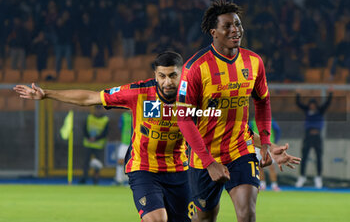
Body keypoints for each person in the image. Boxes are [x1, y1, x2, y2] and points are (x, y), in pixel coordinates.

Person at [14, 51, 300, 222]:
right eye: (162, 76)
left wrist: (263, 148)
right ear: (155, 75)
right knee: (156, 219)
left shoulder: (195, 100)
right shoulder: (138, 93)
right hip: (144, 169)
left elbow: (229, 127)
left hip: (181, 171)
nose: (167, 81)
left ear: (182, 74)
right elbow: (91, 97)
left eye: (173, 75)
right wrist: (47, 94)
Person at [177, 0, 274, 222]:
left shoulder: (254, 62)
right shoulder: (195, 68)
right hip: (204, 158)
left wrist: (266, 141)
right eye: (227, 26)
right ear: (214, 32)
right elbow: (183, 119)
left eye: (238, 24)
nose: (235, 30)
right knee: (205, 218)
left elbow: (263, 101)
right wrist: (209, 162)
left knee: (247, 214)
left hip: (241, 149)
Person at [295, 88, 333, 189]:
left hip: (317, 137)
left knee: (319, 157)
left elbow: (327, 104)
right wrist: (298, 94)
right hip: (308, 136)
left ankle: (318, 178)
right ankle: (302, 177)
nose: (312, 106)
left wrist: (330, 93)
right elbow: (299, 104)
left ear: (316, 105)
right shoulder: (307, 111)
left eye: (313, 104)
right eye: (310, 104)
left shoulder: (320, 111)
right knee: (304, 157)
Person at [79, 106, 109, 185]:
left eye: (99, 109)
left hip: (98, 145)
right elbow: (84, 129)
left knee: (97, 164)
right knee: (86, 162)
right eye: (97, 109)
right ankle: (84, 178)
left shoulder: (105, 120)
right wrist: (89, 137)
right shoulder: (89, 118)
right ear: (95, 110)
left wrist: (95, 138)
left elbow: (105, 133)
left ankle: (96, 180)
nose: (98, 111)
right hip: (88, 144)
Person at [250, 118, 281, 191]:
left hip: (268, 145)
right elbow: (248, 132)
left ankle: (274, 185)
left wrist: (275, 141)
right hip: (257, 146)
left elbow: (278, 130)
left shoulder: (271, 120)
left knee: (271, 166)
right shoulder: (253, 121)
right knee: (259, 166)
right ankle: (262, 184)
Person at [115, 111, 132, 185]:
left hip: (134, 143)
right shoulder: (123, 116)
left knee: (132, 162)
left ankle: (131, 181)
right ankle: (119, 179)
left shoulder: (137, 114)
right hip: (125, 142)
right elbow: (120, 127)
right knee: (120, 161)